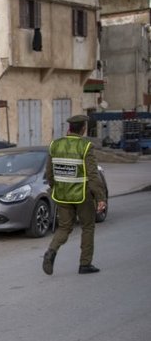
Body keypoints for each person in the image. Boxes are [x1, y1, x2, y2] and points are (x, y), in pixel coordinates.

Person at [42, 114, 106, 275]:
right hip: (82, 195)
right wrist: (100, 198)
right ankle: (85, 264)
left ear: (69, 128)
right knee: (88, 226)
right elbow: (92, 175)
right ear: (83, 129)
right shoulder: (85, 146)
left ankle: (51, 250)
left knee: (64, 227)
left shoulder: (55, 145)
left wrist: (54, 187)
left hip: (62, 194)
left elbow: (49, 173)